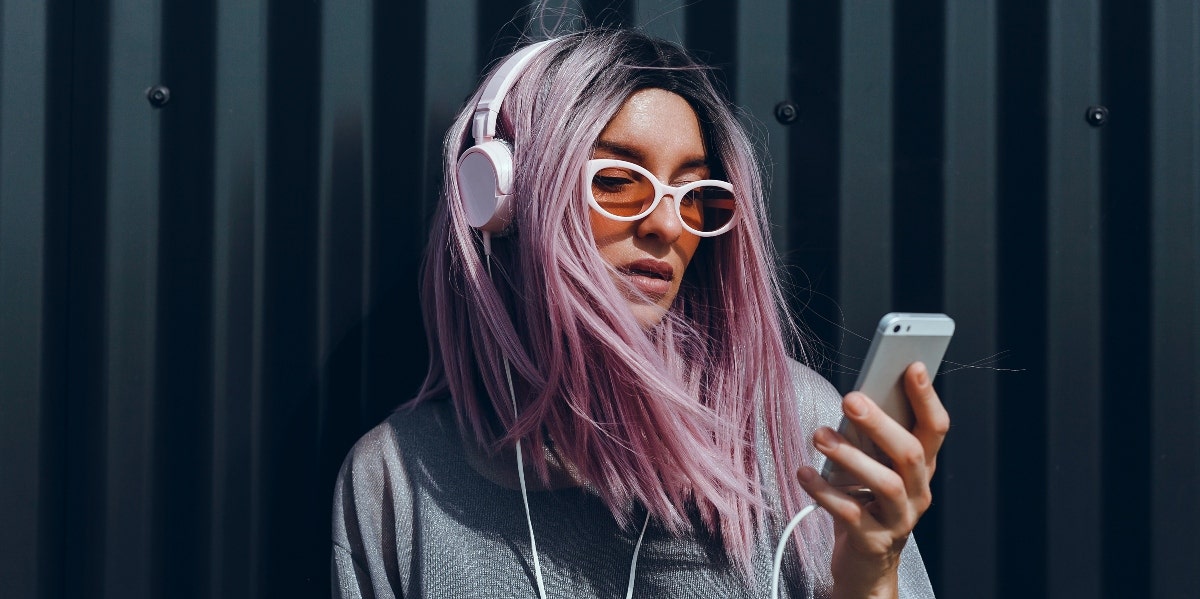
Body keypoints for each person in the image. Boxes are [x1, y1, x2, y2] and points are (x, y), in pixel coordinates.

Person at [332, 28, 946, 598]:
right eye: (618, 181)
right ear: (504, 197)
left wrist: (872, 574)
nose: (664, 225)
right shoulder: (396, 481)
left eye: (697, 196)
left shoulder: (795, 426)